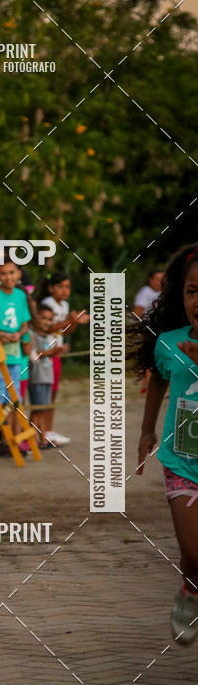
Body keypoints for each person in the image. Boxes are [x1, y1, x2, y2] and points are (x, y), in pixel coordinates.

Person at [135, 244, 198, 644]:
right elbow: (158, 378)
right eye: (193, 290)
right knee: (194, 550)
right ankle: (190, 589)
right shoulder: (170, 342)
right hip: (182, 462)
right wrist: (146, 430)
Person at [0, 259, 31, 455]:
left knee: (14, 398)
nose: (8, 277)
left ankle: (10, 438)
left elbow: (25, 322)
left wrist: (19, 335)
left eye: (12, 273)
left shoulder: (20, 295)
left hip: (15, 354)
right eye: (4, 273)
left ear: (18, 274)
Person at [38, 270, 89, 446]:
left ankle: (48, 430)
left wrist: (74, 322)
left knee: (53, 393)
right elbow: (47, 328)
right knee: (44, 394)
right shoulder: (47, 303)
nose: (65, 291)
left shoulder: (65, 305)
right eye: (61, 287)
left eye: (68, 287)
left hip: (56, 352)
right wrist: (70, 320)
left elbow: (64, 331)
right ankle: (41, 432)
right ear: (51, 288)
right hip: (46, 352)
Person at [28, 305, 65, 448]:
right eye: (43, 318)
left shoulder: (48, 336)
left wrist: (57, 351)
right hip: (37, 377)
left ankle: (43, 438)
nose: (46, 322)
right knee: (37, 410)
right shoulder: (32, 335)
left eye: (50, 319)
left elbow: (48, 353)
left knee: (43, 409)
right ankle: (32, 440)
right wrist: (52, 352)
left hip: (47, 376)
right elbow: (35, 356)